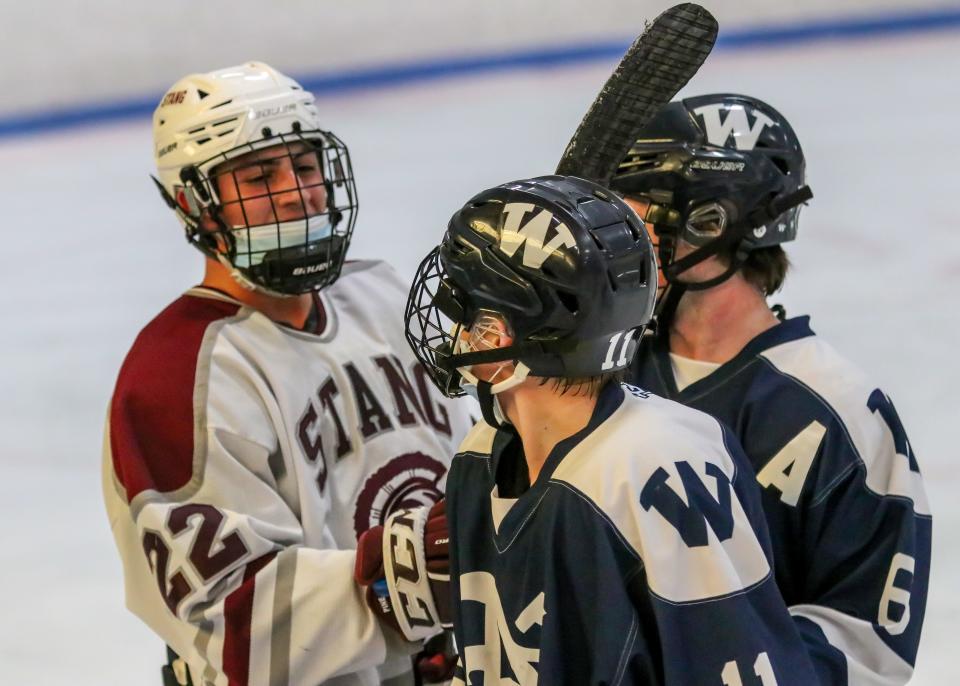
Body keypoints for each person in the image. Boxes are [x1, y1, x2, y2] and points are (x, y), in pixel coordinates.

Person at [102, 61, 472, 686]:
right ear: (196, 203)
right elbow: (234, 622)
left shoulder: (382, 294)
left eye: (303, 166)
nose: (296, 190)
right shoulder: (174, 378)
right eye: (258, 175)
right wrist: (410, 575)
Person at [392, 174, 819, 684]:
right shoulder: (480, 456)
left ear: (503, 331)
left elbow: (739, 667)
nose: (452, 326)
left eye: (463, 304)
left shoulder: (664, 467)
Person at [610, 93, 932, 684]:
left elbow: (868, 647)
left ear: (713, 223)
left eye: (643, 214)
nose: (618, 237)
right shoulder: (605, 372)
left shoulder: (839, 408)